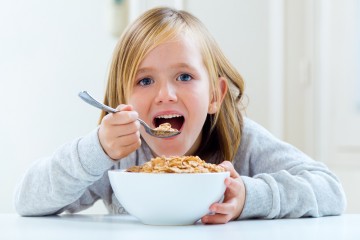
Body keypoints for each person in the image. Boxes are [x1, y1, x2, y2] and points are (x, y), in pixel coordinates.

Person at [14, 7, 346, 224]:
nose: (166, 94)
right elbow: (28, 200)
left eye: (184, 77)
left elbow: (331, 190)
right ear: (122, 104)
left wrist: (249, 197)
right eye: (145, 80)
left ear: (214, 95)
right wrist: (95, 149)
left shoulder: (243, 142)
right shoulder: (116, 158)